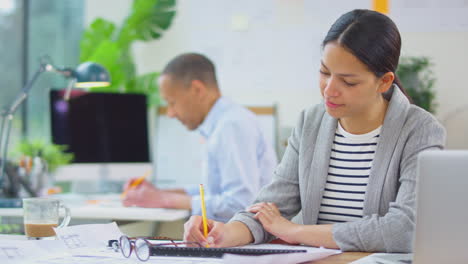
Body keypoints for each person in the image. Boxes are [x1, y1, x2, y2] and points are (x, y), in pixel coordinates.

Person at [183, 9, 446, 252]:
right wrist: (227, 232)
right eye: (324, 72)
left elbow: (404, 229)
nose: (329, 89)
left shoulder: (421, 130)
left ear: (384, 81)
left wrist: (297, 231)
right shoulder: (311, 122)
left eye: (348, 81)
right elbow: (271, 206)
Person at [122, 53, 278, 223]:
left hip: (246, 241)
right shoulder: (222, 123)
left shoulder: (231, 126)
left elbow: (240, 204)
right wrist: (159, 193)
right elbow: (215, 192)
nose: (170, 113)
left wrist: (164, 200)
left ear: (198, 90)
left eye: (172, 102)